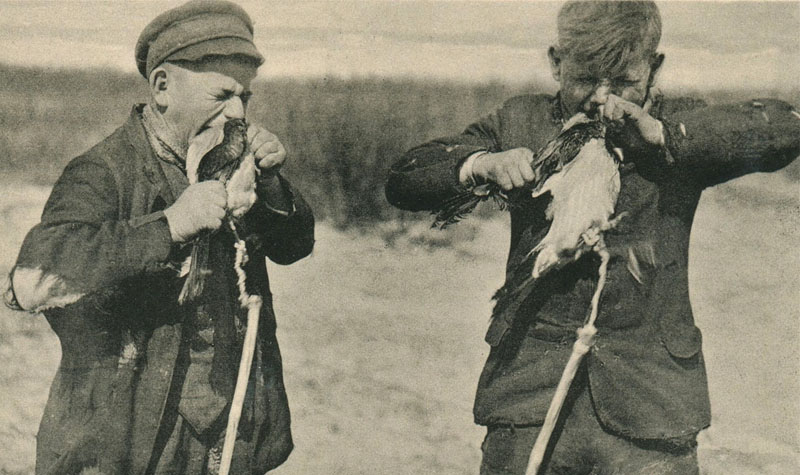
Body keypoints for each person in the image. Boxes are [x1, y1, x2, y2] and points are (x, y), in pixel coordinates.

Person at [385, 1, 800, 474]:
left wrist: (665, 137)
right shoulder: (519, 120)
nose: (602, 99)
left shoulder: (681, 126)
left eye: (624, 81)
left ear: (655, 67)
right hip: (529, 398)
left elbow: (785, 127)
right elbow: (404, 179)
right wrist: (480, 164)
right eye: (585, 79)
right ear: (556, 62)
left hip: (651, 406)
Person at [4, 1, 314, 473]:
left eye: (245, 99)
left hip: (223, 438)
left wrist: (272, 184)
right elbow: (31, 283)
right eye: (221, 96)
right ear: (163, 87)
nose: (238, 114)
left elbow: (295, 247)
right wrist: (169, 226)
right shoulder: (103, 170)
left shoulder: (229, 160)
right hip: (121, 441)